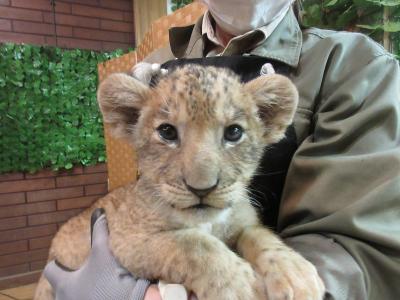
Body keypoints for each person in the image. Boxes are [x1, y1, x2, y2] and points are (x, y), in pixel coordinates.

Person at [44, 0, 400, 299]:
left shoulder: (353, 65)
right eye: (169, 130)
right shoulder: (155, 59)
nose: (202, 178)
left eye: (232, 131)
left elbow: (367, 252)